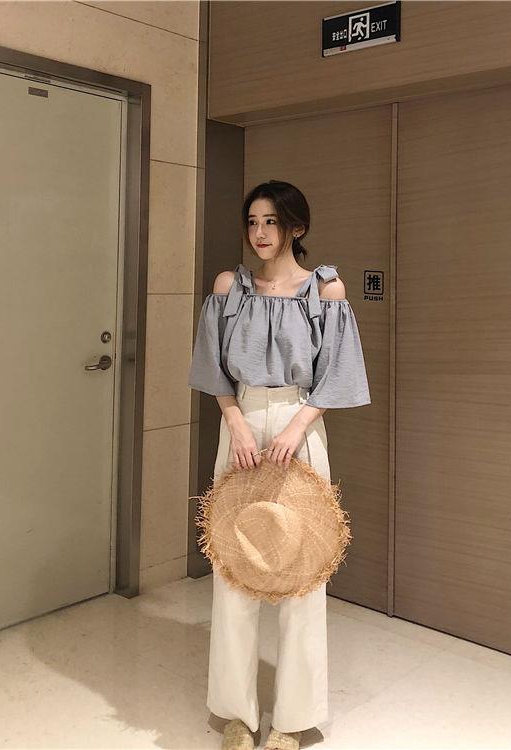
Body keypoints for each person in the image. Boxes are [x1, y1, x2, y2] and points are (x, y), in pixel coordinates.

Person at [187, 180, 371, 750]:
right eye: (252, 222)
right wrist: (236, 422)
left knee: (302, 570)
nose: (259, 233)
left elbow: (337, 372)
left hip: (301, 424)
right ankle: (236, 716)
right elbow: (212, 367)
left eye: (271, 222)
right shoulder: (230, 287)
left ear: (296, 227)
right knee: (234, 565)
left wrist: (294, 428)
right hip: (239, 422)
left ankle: (293, 720)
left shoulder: (326, 290)